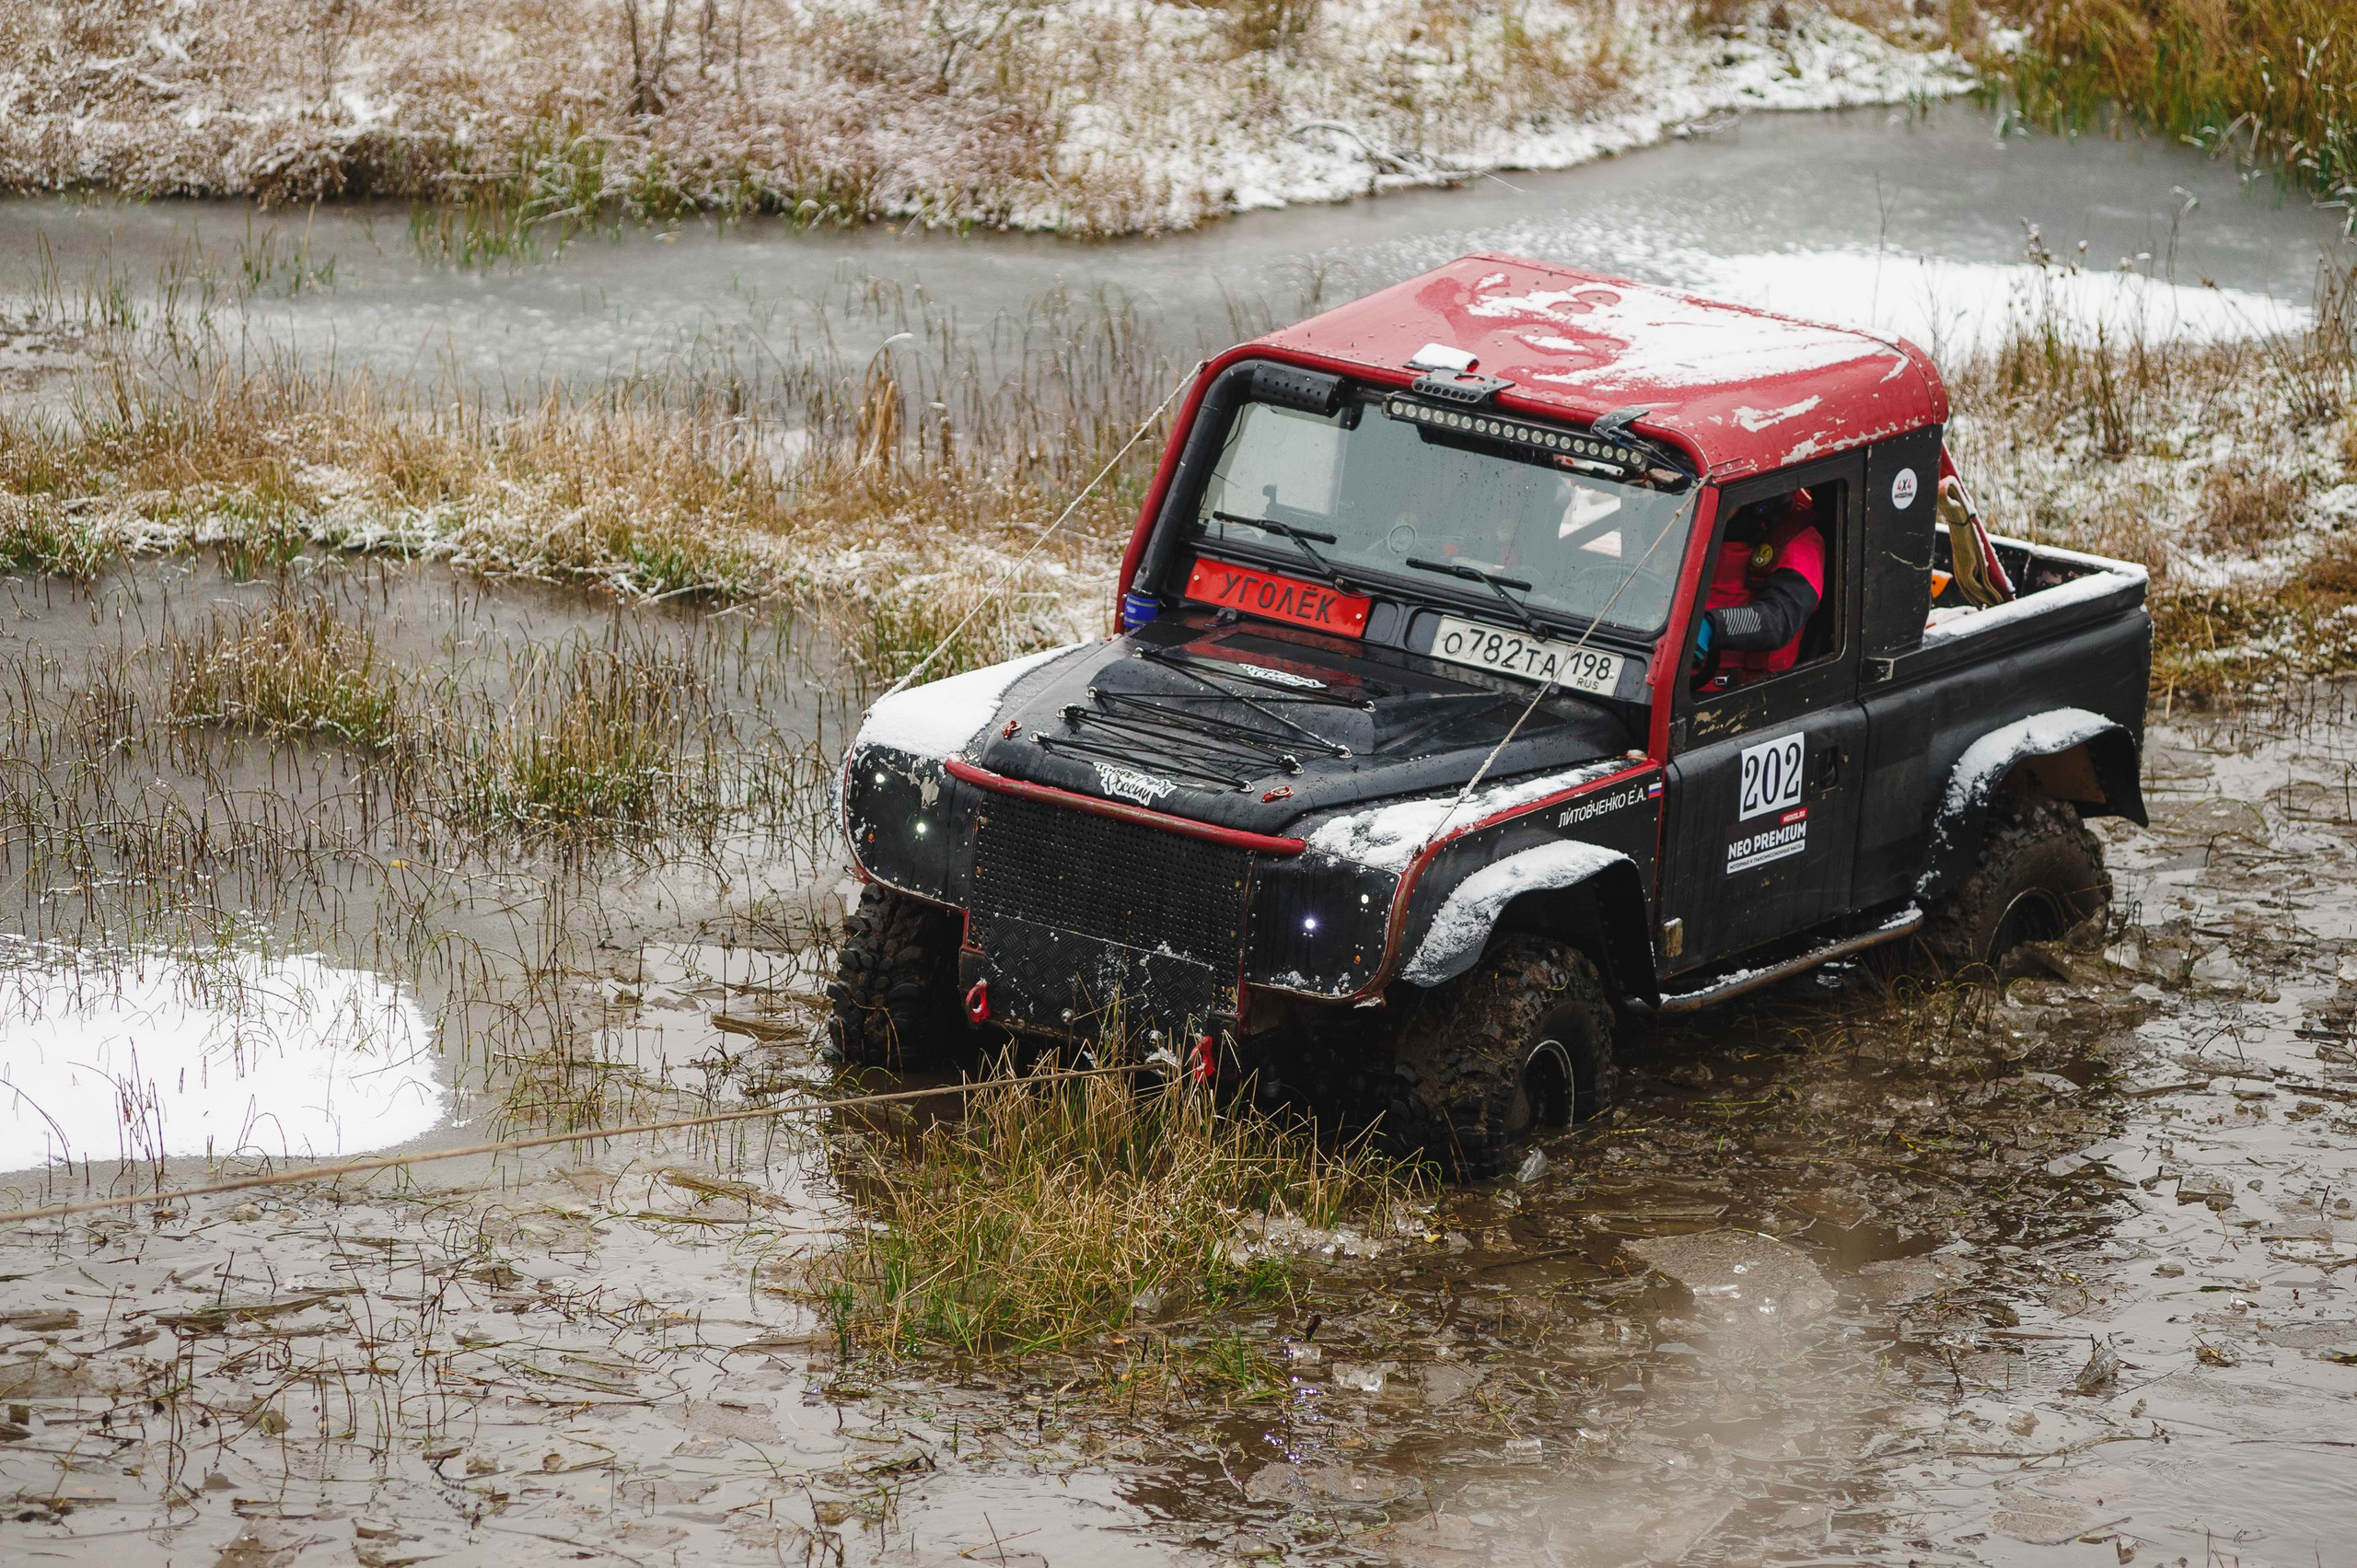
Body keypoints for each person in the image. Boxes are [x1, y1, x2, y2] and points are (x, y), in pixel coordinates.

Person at [1691, 490, 1826, 689]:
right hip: (1665, 673)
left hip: (1740, 693)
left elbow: (1779, 621)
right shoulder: (1692, 523)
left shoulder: (1798, 540)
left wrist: (1712, 626)